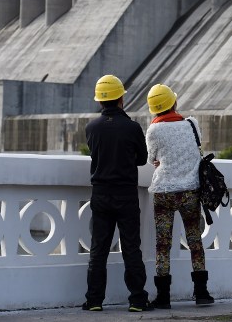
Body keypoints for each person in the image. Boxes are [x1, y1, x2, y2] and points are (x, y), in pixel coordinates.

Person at [83, 74, 153, 312]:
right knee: (131, 247)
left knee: (98, 249)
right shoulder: (132, 127)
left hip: (101, 194)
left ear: (100, 101)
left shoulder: (91, 127)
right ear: (121, 98)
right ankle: (137, 299)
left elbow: (95, 154)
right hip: (126, 195)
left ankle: (94, 301)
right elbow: (142, 159)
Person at [145, 83, 214, 308]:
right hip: (190, 192)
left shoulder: (153, 130)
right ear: (173, 102)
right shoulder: (191, 124)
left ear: (154, 108)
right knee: (195, 240)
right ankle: (202, 293)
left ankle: (163, 297)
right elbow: (195, 148)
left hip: (164, 191)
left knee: (162, 244)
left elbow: (151, 158)